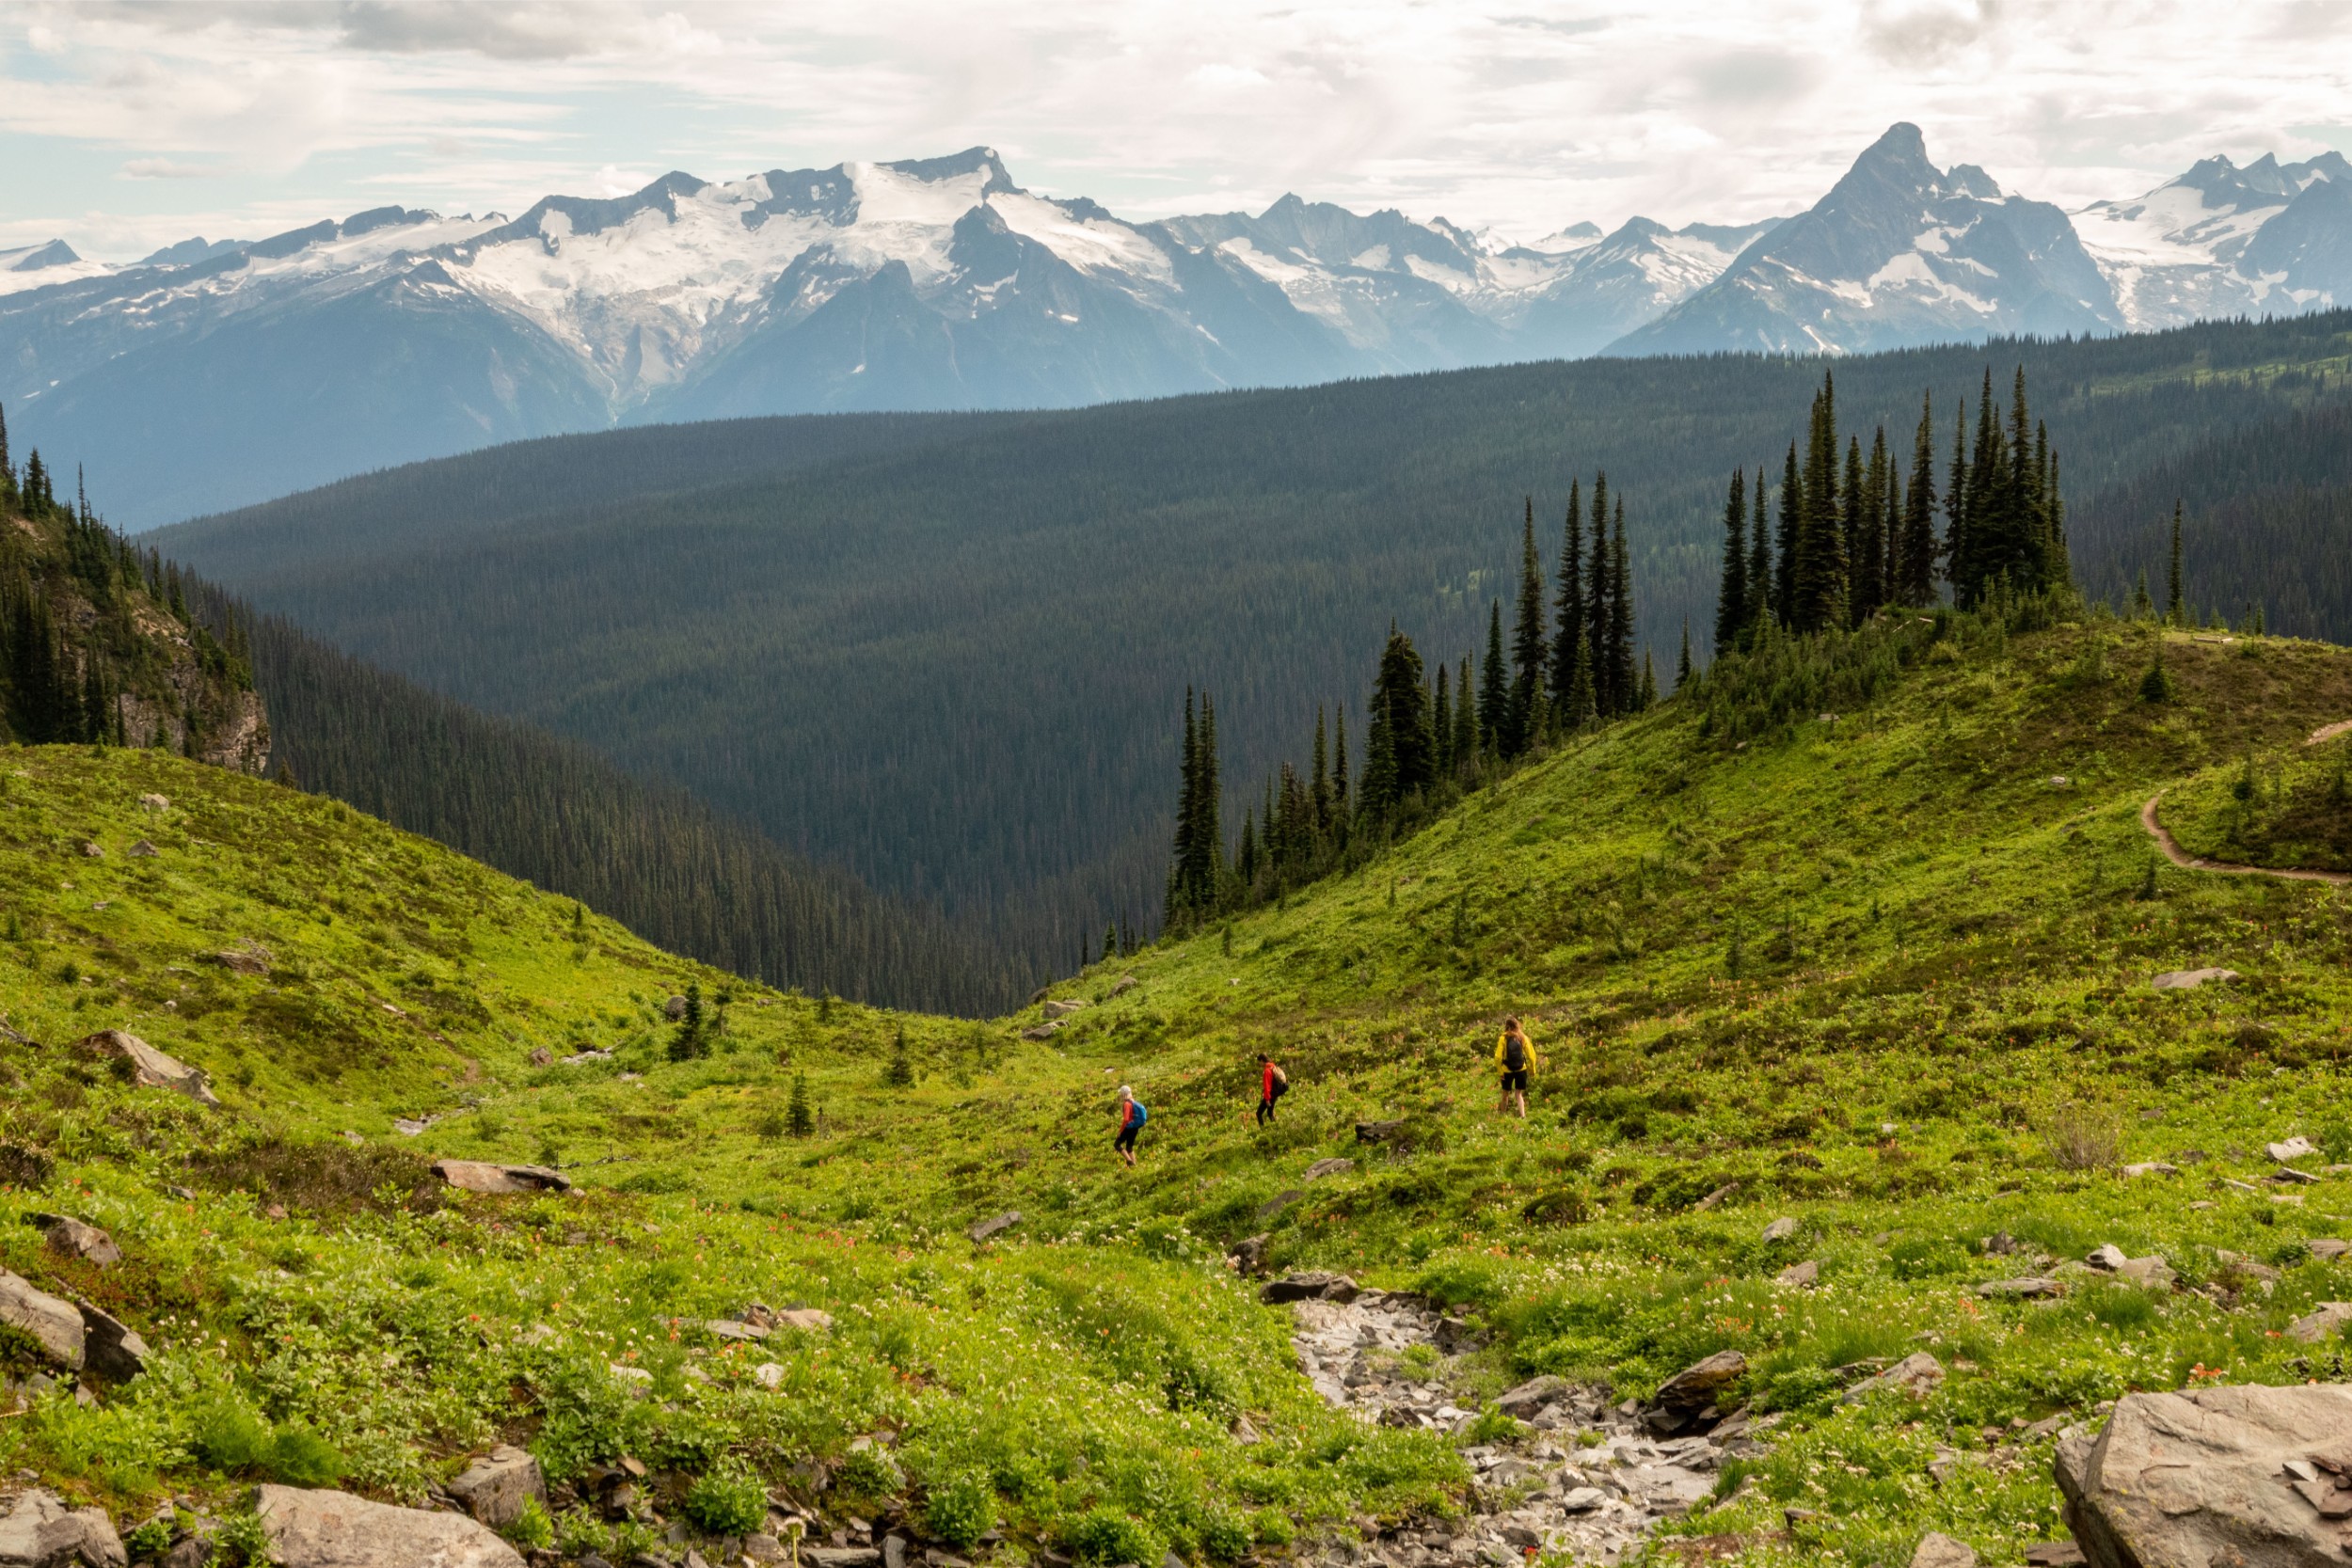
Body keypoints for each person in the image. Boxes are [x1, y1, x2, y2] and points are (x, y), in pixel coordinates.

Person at [1494, 1017, 1536, 1119]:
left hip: (1506, 1070)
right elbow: (1531, 1056)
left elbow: (1497, 1057)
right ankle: (1523, 1116)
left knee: (1505, 1094)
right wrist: (1532, 1070)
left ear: (1506, 1026)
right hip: (1521, 1069)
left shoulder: (1503, 1038)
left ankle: (1503, 1115)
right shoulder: (1523, 1038)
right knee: (1518, 1094)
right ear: (1517, 1025)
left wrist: (1500, 1072)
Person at [1113, 1084, 1148, 1166]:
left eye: (1121, 1094)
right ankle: (1134, 1165)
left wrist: (1120, 1131)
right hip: (1135, 1128)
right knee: (1129, 1147)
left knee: (1117, 1144)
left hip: (1128, 1128)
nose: (1120, 1095)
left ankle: (1130, 1161)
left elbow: (1126, 1119)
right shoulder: (1133, 1101)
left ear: (1124, 1094)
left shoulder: (1127, 1104)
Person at [1257, 1053, 1289, 1126]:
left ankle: (1263, 1131)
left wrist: (1267, 1099)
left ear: (1262, 1061)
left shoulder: (1267, 1071)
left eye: (1259, 1062)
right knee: (1270, 1113)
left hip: (1270, 1095)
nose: (1259, 1064)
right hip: (1275, 1093)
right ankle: (1276, 1128)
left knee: (1259, 1113)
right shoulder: (1273, 1067)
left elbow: (1267, 1086)